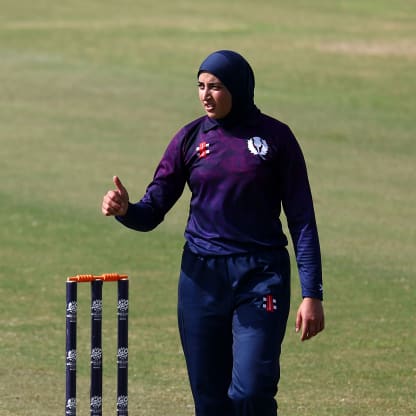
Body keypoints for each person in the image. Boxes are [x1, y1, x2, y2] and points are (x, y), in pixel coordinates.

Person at [102, 50, 324, 416]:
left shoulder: (276, 138)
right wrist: (126, 210)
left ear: (238, 88)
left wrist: (311, 292)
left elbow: (302, 220)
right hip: (201, 280)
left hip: (260, 276)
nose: (206, 95)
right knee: (210, 402)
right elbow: (152, 210)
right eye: (201, 86)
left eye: (216, 87)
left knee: (251, 391)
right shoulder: (189, 139)